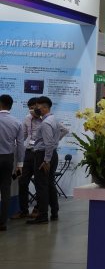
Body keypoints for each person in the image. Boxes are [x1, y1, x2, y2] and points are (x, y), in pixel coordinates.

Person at [28, 96, 64, 225]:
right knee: (50, 184)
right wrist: (56, 141)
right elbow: (64, 130)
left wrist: (46, 160)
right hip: (52, 154)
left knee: (41, 185)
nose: (35, 109)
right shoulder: (53, 119)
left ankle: (42, 215)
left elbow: (48, 143)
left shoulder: (46, 123)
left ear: (44, 107)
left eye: (37, 107)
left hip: (44, 155)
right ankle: (54, 212)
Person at [0, 95, 25, 231]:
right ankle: (2, 223)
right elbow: (20, 145)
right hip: (8, 158)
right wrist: (20, 164)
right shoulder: (17, 122)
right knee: (5, 189)